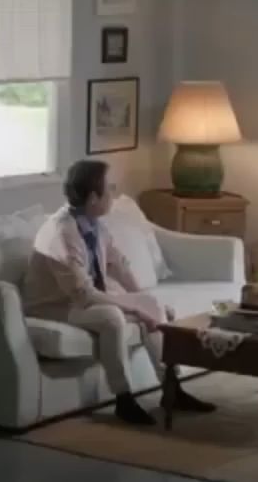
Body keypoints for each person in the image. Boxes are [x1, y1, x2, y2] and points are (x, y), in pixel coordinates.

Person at [22, 159, 217, 425]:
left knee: (149, 306)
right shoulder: (62, 234)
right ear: (94, 197)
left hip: (80, 299)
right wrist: (135, 306)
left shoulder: (93, 223)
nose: (114, 193)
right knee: (111, 316)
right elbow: (84, 295)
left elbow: (118, 264)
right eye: (109, 188)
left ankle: (172, 388)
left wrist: (145, 301)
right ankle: (124, 399)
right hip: (53, 306)